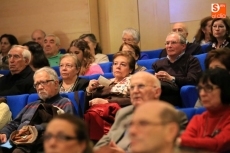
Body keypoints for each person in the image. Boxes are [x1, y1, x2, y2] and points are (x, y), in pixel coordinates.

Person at [94, 71, 188, 152]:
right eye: (132, 87)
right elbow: (107, 139)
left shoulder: (173, 117)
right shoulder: (123, 112)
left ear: (157, 92)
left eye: (141, 86)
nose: (135, 91)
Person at [0, 67, 75, 153]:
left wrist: (34, 129)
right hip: (16, 140)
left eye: (43, 82)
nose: (39, 87)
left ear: (56, 83)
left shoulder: (64, 103)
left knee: (18, 151)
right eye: (36, 84)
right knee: (3, 148)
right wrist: (4, 133)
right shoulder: (31, 105)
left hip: (37, 143)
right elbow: (14, 123)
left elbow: (66, 127)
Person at [178, 68, 230, 152]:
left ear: (225, 89)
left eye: (208, 88)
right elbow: (185, 140)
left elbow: (217, 144)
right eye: (200, 89)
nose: (202, 94)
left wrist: (178, 141)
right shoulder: (198, 119)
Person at [153, 32, 202, 106]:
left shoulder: (191, 60)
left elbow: (193, 80)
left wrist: (172, 79)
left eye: (173, 43)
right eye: (167, 43)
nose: (169, 46)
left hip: (176, 92)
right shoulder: (158, 63)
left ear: (183, 46)